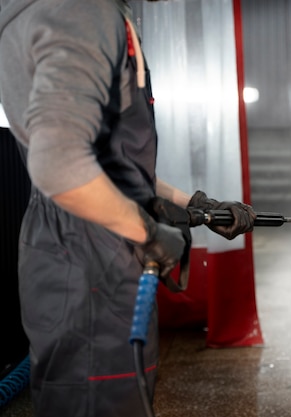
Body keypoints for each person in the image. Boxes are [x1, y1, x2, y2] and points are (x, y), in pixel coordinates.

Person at [0, 0, 256, 415]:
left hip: (76, 255)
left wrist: (194, 204)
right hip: (93, 265)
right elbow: (61, 164)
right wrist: (150, 234)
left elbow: (102, 161)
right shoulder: (80, 11)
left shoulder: (51, 9)